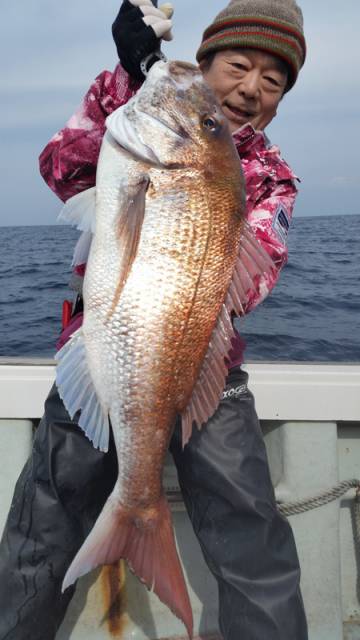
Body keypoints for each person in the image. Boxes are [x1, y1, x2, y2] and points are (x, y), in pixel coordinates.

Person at [0, 1, 309, 638]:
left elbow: (250, 282)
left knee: (253, 530)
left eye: (272, 82)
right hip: (98, 352)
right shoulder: (137, 123)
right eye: (238, 66)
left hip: (206, 369)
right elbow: (63, 167)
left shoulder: (272, 178)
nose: (250, 89)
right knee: (44, 525)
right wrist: (129, 72)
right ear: (205, 64)